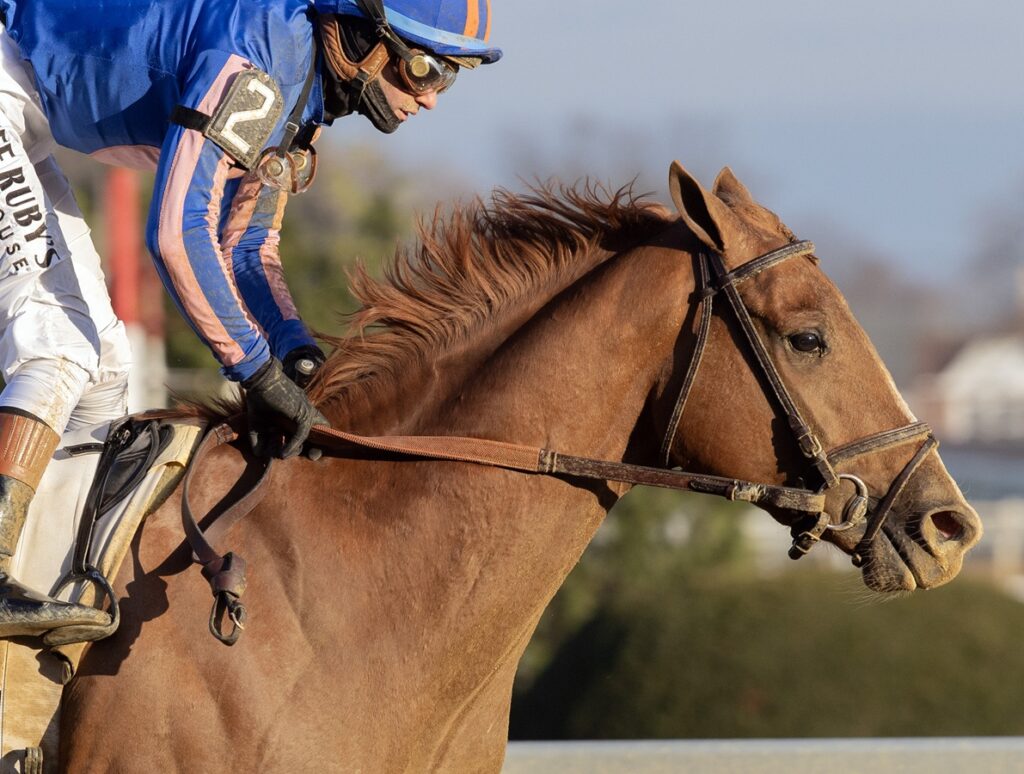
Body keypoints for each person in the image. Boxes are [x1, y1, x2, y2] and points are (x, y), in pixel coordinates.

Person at [0, 0, 500, 639]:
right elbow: (178, 235)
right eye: (425, 70)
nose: (429, 98)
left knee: (107, 373)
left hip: (24, 114)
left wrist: (295, 352)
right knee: (61, 348)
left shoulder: (305, 88)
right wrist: (256, 372)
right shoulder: (259, 59)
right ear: (363, 34)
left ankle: (46, 575)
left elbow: (246, 243)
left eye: (449, 79)